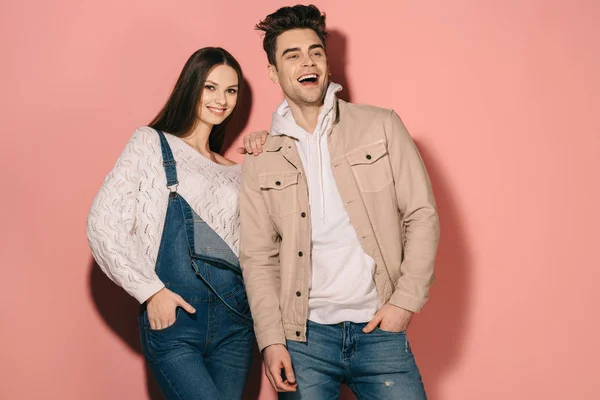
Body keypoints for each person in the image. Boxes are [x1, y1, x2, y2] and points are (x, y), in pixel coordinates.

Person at [239, 5, 440, 399]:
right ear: (273, 72)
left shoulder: (381, 125)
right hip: (303, 338)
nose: (307, 61)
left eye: (315, 51)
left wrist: (405, 302)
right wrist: (271, 340)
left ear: (327, 62)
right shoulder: (262, 158)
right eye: (291, 55)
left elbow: (421, 214)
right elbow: (258, 256)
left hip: (380, 329)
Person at [87, 47, 264, 400]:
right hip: (177, 322)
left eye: (231, 91)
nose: (222, 100)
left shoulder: (238, 170)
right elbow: (103, 222)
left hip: (236, 324)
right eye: (211, 87)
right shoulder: (151, 144)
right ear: (191, 86)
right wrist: (151, 291)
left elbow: (257, 245)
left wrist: (269, 152)